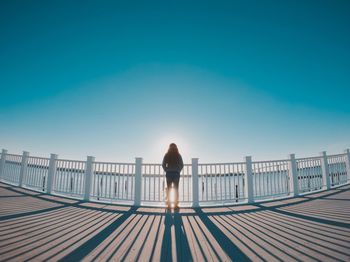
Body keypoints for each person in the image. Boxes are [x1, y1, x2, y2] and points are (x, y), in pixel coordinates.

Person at [162, 143, 184, 209]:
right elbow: (182, 164)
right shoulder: (178, 155)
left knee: (168, 189)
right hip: (176, 174)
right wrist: (178, 170)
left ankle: (168, 205)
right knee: (176, 189)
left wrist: (166, 170)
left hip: (169, 173)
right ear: (176, 147)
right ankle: (175, 205)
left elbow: (163, 164)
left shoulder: (167, 155)